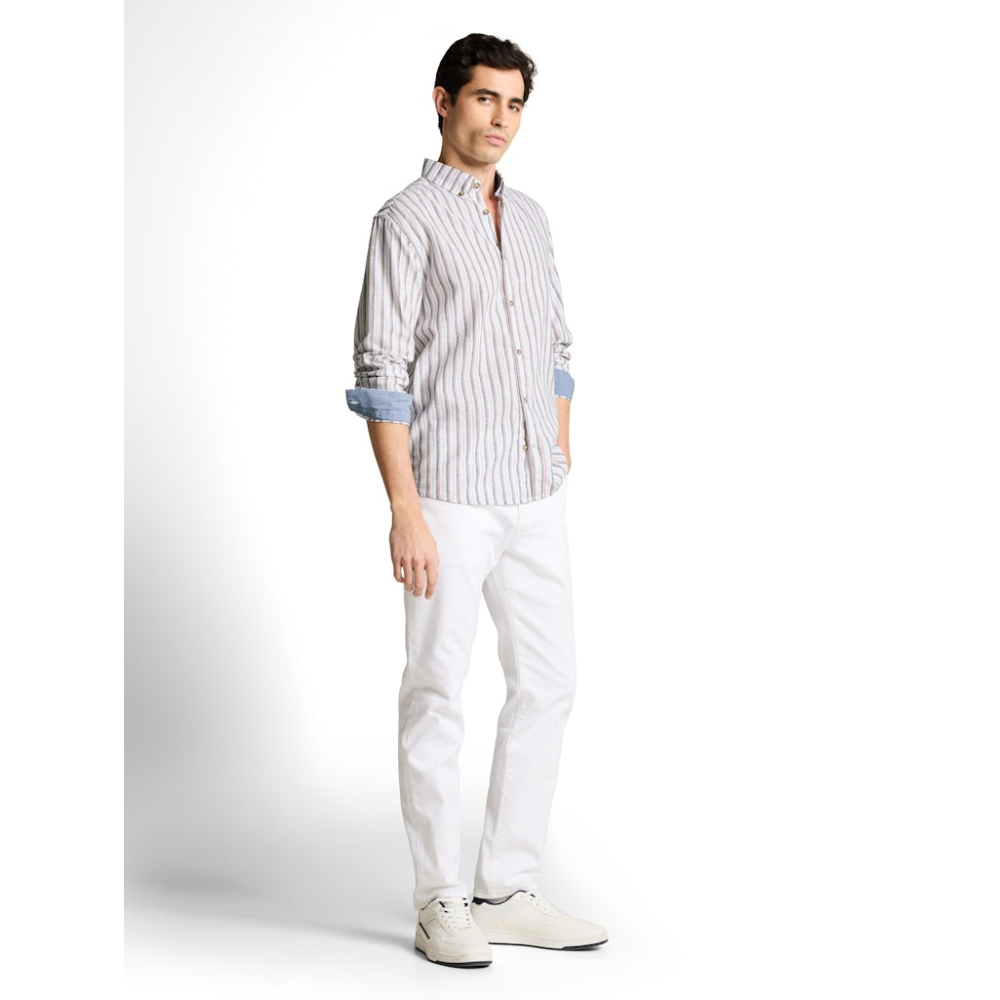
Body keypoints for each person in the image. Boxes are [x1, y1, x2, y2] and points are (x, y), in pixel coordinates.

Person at [346, 33, 607, 968]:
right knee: (436, 693)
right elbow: (381, 370)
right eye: (485, 98)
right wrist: (404, 508)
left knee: (550, 681)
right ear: (443, 101)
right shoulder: (406, 219)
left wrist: (558, 446)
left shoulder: (530, 217)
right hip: (449, 494)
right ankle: (438, 900)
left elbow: (558, 345)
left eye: (515, 103)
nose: (501, 119)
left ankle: (506, 886)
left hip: (535, 493)